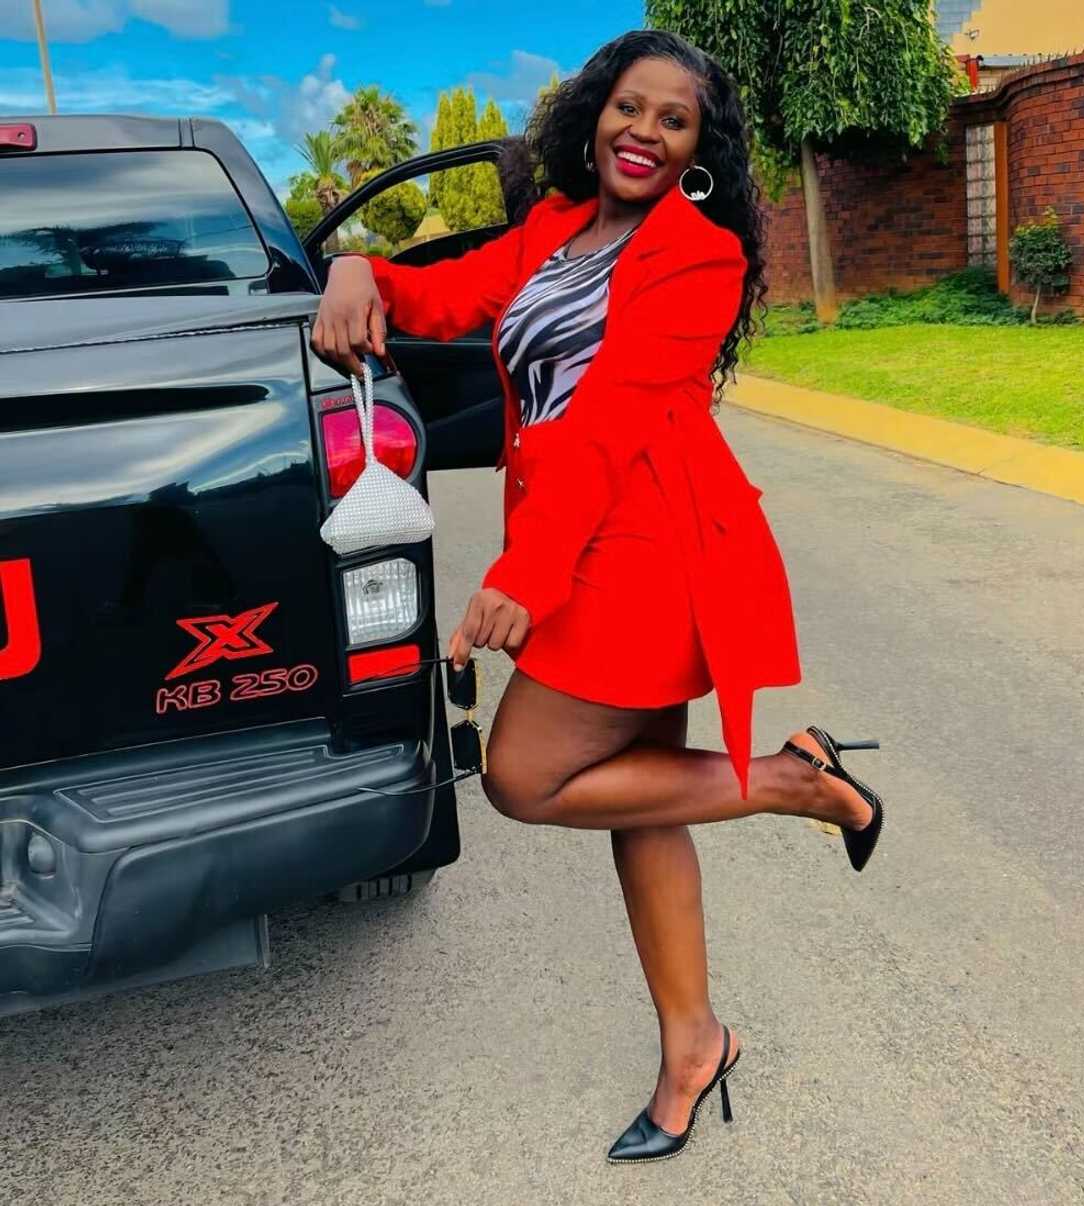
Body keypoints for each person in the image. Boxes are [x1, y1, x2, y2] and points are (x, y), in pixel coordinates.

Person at [312, 28, 885, 1166]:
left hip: (647, 548)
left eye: (674, 121)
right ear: (596, 111)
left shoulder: (699, 256)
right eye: (631, 107)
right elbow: (439, 300)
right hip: (584, 542)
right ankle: (693, 1044)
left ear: (696, 148)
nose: (645, 132)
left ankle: (792, 781)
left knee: (526, 777)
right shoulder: (552, 230)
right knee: (642, 804)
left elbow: (614, 420)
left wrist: (523, 576)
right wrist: (354, 271)